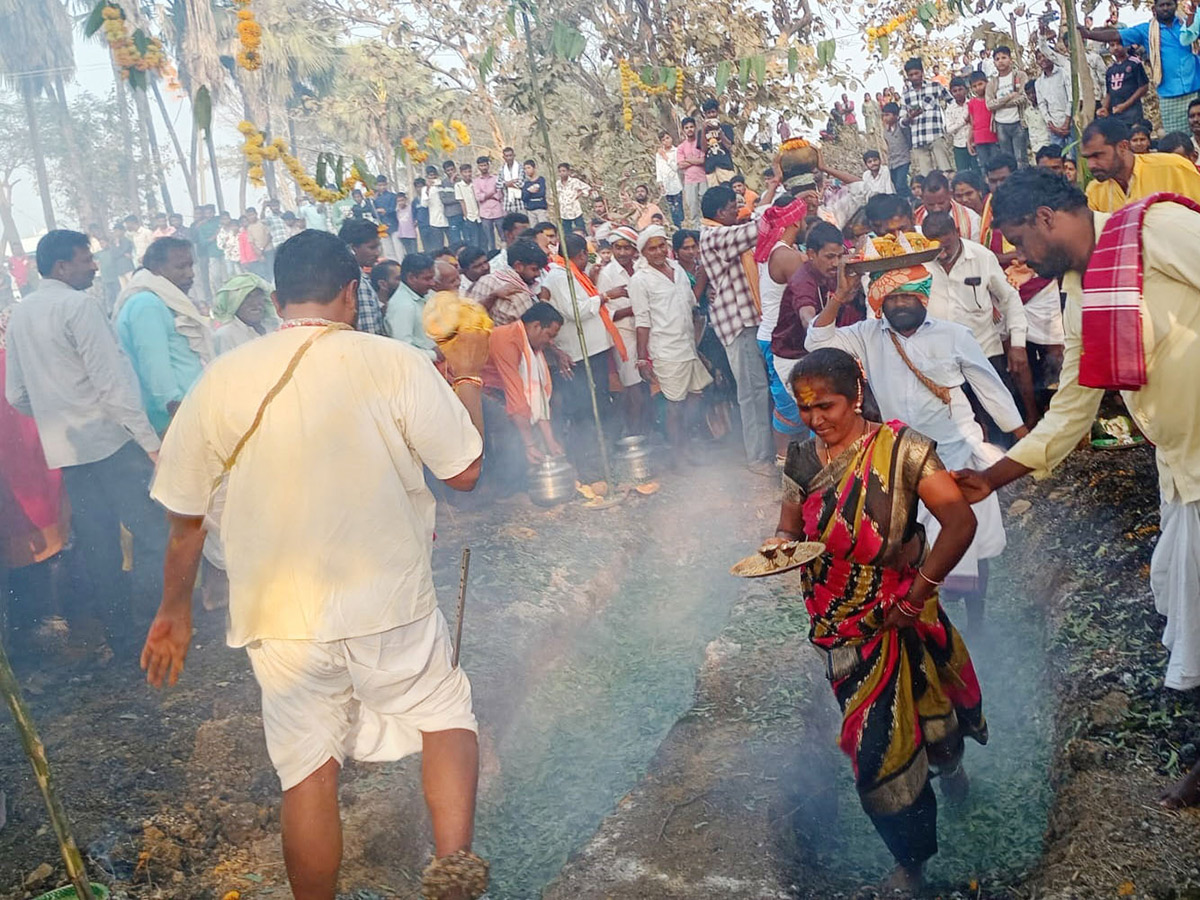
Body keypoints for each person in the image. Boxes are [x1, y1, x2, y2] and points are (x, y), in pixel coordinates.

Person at [140, 228, 488, 900]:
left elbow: (184, 518)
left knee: (308, 771)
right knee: (445, 713)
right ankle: (453, 873)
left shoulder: (222, 379)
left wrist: (173, 611)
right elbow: (466, 471)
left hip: (277, 614)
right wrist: (468, 374)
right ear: (352, 292)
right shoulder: (393, 362)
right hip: (387, 597)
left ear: (276, 299)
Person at [954, 166, 1200, 810]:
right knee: (1183, 600)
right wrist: (991, 478)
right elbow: (1072, 409)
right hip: (1182, 469)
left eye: (1018, 242)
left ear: (1045, 218)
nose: (1019, 258)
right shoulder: (1075, 289)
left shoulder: (1157, 229)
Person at [764, 346, 986, 895]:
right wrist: (780, 545)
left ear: (857, 395)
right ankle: (912, 858)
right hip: (839, 626)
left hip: (903, 613)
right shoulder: (801, 459)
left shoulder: (905, 452)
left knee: (925, 719)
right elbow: (792, 527)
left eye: (828, 406)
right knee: (875, 744)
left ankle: (942, 788)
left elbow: (958, 522)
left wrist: (916, 597)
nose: (816, 419)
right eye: (804, 408)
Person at [5, 230, 165, 648]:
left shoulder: (21, 314)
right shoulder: (79, 306)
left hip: (69, 452)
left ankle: (122, 640)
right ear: (61, 267)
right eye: (85, 259)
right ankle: (156, 621)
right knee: (153, 534)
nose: (94, 265)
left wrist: (57, 414)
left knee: (100, 548)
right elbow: (112, 385)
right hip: (111, 444)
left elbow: (17, 395)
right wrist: (150, 443)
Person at [699, 183, 807, 475]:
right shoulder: (714, 236)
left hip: (751, 321)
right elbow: (754, 230)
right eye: (734, 207)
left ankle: (771, 451)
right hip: (738, 324)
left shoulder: (720, 231)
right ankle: (758, 458)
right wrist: (789, 210)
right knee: (753, 392)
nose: (739, 210)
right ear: (721, 212)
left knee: (766, 390)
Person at [920, 212, 1035, 428]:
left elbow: (1010, 298)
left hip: (984, 352)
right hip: (939, 358)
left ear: (956, 233)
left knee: (999, 419)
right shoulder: (920, 262)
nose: (941, 253)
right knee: (958, 425)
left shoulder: (982, 257)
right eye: (935, 247)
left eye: (945, 245)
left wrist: (1017, 343)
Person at [626, 226, 710, 459]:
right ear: (643, 252)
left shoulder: (677, 270)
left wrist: (696, 345)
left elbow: (690, 305)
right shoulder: (640, 280)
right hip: (665, 350)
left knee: (695, 396)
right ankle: (678, 454)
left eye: (661, 245)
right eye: (652, 248)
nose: (658, 252)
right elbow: (642, 322)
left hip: (687, 347)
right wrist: (643, 359)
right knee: (674, 405)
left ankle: (687, 443)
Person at [113, 237, 212, 435]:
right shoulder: (146, 304)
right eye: (180, 267)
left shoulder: (162, 299)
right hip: (174, 416)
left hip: (190, 409)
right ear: (157, 268)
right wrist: (175, 412)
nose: (190, 274)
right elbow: (155, 368)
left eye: (190, 266)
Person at [1080, 0, 1200, 133]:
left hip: (1195, 89)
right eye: (1162, 5)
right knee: (1177, 141)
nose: (1165, 8)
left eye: (1169, 4)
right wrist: (1088, 34)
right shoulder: (1146, 30)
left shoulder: (1189, 23)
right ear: (1155, 8)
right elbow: (1116, 35)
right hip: (1169, 94)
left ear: (1176, 6)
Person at [754, 197, 810, 459]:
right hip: (780, 340)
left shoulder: (775, 248)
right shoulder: (786, 255)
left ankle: (788, 460)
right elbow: (809, 286)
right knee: (790, 404)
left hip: (776, 335)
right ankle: (783, 462)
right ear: (797, 220)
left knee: (793, 400)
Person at [483, 301, 565, 468]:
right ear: (536, 326)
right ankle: (508, 487)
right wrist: (529, 445)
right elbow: (517, 399)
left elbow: (538, 396)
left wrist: (551, 442)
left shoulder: (532, 349)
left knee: (522, 424)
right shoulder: (507, 340)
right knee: (509, 428)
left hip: (498, 389)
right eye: (549, 335)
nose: (550, 342)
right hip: (473, 388)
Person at [1080, 117, 1200, 211]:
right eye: (1087, 158)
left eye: (1097, 155)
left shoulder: (1173, 168)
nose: (1091, 165)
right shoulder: (1094, 191)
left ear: (1123, 147)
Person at [596, 226, 646, 434]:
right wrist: (637, 308)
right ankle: (634, 435)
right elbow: (606, 314)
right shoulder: (607, 275)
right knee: (632, 387)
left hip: (645, 332)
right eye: (618, 248)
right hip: (623, 335)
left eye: (627, 248)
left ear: (634, 249)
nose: (623, 253)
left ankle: (648, 431)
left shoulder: (642, 267)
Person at [469, 238, 547, 325]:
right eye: (534, 269)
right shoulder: (519, 295)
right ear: (518, 266)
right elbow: (534, 331)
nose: (538, 274)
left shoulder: (486, 280)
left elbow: (468, 314)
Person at [901, 57, 955, 175]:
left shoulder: (935, 87)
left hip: (935, 134)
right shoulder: (906, 94)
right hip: (918, 139)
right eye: (911, 75)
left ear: (922, 72)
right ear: (908, 77)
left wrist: (951, 121)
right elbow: (902, 121)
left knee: (946, 170)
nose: (914, 77)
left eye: (916, 73)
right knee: (927, 177)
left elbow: (952, 102)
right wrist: (910, 117)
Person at [338, 218, 387, 336]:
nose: (377, 253)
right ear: (352, 249)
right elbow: (369, 332)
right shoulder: (358, 282)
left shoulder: (354, 275)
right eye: (372, 247)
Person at [384, 252, 437, 359]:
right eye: (427, 279)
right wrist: (435, 355)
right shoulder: (403, 305)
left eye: (432, 278)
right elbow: (403, 348)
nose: (433, 283)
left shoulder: (426, 295)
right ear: (411, 278)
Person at [211, 273, 278, 356]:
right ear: (235, 303)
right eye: (248, 297)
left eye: (259, 296)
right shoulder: (226, 335)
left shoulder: (273, 326)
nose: (255, 303)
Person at [985, 46, 1029, 167]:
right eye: (997, 59)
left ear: (1010, 59)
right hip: (1001, 124)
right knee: (1007, 160)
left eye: (1004, 57)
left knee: (1021, 159)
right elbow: (989, 105)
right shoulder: (992, 83)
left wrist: (999, 103)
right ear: (994, 62)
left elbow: (1024, 97)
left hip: (1018, 122)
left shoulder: (1020, 76)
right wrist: (1009, 97)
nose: (1001, 61)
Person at [914, 171, 982, 241]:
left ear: (950, 195)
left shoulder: (971, 220)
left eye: (941, 203)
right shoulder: (915, 219)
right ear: (922, 199)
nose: (937, 209)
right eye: (931, 204)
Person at [1099, 38, 1150, 125]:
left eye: (1119, 44)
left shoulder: (1134, 63)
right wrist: (1104, 107)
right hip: (1115, 114)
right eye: (1112, 45)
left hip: (1132, 113)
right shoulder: (1110, 69)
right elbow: (1109, 92)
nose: (1116, 48)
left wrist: (1125, 105)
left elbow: (1144, 87)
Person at [1035, 43, 1074, 149]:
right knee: (1056, 156)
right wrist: (1051, 125)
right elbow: (1042, 104)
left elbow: (1071, 98)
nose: (1043, 59)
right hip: (1054, 126)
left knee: (1075, 156)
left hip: (1071, 122)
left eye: (1045, 55)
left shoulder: (1064, 73)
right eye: (1039, 58)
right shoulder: (1039, 82)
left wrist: (1067, 122)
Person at [677, 117, 709, 226]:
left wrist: (688, 160)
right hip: (689, 181)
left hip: (703, 178)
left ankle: (708, 229)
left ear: (695, 128)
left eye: (691, 127)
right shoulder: (681, 147)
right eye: (686, 128)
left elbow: (703, 160)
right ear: (683, 130)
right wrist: (695, 161)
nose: (689, 129)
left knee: (705, 205)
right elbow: (681, 164)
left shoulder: (701, 143)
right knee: (693, 208)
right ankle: (697, 232)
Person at [967, 71, 1000, 171]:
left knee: (997, 164)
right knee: (984, 166)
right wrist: (969, 140)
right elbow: (972, 124)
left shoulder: (993, 99)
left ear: (987, 82)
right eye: (974, 86)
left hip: (993, 137)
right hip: (979, 139)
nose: (978, 88)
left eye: (980, 84)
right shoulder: (971, 103)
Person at [699, 98, 737, 185]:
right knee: (715, 194)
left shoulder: (726, 128)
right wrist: (704, 130)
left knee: (728, 191)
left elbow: (729, 146)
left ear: (717, 112)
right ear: (705, 115)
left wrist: (720, 132)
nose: (711, 115)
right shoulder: (701, 132)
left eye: (713, 112)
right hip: (710, 168)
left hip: (725, 166)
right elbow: (704, 149)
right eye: (708, 113)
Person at [881, 102, 913, 200]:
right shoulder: (885, 131)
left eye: (888, 115)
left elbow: (909, 139)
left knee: (901, 185)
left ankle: (913, 201)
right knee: (895, 187)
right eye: (884, 115)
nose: (885, 118)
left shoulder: (901, 126)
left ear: (896, 115)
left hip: (903, 160)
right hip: (892, 162)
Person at [473, 156, 505, 252]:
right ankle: (492, 256)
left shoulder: (496, 178)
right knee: (489, 239)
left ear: (488, 165)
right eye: (481, 166)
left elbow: (499, 195)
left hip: (498, 211)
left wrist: (486, 195)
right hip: (485, 213)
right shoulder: (476, 181)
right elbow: (479, 197)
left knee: (503, 235)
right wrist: (491, 193)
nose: (483, 167)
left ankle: (506, 253)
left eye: (485, 165)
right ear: (478, 167)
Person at [655, 131, 685, 227]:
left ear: (671, 138)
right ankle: (676, 226)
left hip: (675, 182)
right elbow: (658, 169)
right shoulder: (658, 154)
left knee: (678, 206)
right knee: (671, 207)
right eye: (663, 140)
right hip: (665, 184)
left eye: (667, 138)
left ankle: (682, 222)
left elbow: (676, 167)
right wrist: (660, 182)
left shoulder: (676, 151)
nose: (666, 141)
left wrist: (666, 157)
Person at [944, 76, 973, 173]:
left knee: (977, 172)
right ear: (951, 93)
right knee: (962, 174)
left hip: (974, 143)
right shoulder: (950, 109)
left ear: (966, 90)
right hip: (959, 146)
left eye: (960, 89)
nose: (958, 93)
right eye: (955, 91)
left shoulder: (972, 104)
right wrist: (964, 121)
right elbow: (949, 129)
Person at [555, 163, 593, 233]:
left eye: (564, 171)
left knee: (581, 230)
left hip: (575, 211)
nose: (562, 173)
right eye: (560, 171)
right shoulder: (557, 184)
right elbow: (554, 195)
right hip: (564, 212)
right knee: (567, 233)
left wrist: (581, 193)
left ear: (568, 171)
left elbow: (588, 188)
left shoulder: (575, 181)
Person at [454, 163, 484, 249]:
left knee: (483, 240)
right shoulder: (458, 186)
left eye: (469, 171)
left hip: (480, 215)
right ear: (461, 173)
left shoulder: (475, 183)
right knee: (474, 241)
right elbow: (462, 202)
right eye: (465, 172)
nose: (468, 174)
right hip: (470, 217)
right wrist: (466, 216)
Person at [372, 175, 400, 259]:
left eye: (384, 185)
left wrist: (385, 211)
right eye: (380, 185)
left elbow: (395, 209)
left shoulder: (393, 196)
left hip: (394, 226)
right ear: (377, 186)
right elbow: (374, 214)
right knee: (389, 252)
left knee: (399, 250)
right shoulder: (375, 199)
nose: (382, 187)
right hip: (382, 228)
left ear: (387, 184)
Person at [500, 146, 525, 215]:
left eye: (510, 155)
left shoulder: (521, 167)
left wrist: (506, 184)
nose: (509, 158)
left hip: (520, 203)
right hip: (507, 203)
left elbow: (521, 183)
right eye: (507, 156)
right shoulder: (502, 169)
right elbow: (498, 184)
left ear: (514, 155)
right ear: (503, 157)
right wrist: (510, 183)